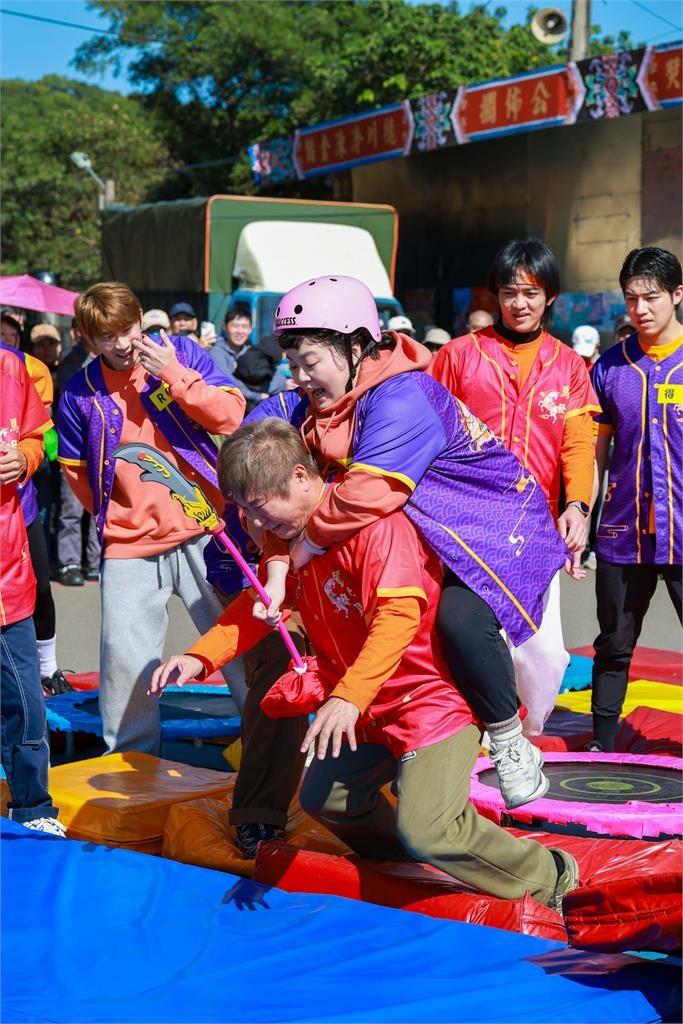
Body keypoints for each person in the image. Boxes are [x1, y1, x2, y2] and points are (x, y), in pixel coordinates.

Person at [151, 418, 579, 908]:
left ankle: (550, 876)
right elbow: (258, 607)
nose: (256, 524)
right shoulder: (291, 541)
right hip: (365, 706)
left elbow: (397, 619)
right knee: (328, 800)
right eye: (245, 511)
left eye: (260, 507)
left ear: (299, 477)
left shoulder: (375, 527)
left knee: (431, 828)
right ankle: (410, 859)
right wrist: (199, 657)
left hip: (427, 702)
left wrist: (348, 698)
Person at [253, 274, 571, 809]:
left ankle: (509, 740)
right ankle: (415, 758)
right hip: (428, 529)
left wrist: (300, 548)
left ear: (356, 346)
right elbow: (251, 440)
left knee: (457, 621)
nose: (301, 377)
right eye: (293, 364)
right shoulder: (316, 398)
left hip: (493, 529)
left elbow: (370, 491)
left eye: (310, 362)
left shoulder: (404, 396)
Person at [57, 281, 247, 754]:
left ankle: (273, 747)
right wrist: (121, 517)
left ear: (141, 318)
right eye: (107, 336)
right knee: (124, 663)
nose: (121, 344)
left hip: (209, 528)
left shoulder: (181, 352)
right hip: (130, 543)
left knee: (242, 644)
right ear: (88, 339)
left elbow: (232, 416)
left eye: (127, 329)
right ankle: (130, 766)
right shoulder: (79, 392)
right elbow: (77, 473)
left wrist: (174, 374)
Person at [429, 238, 600, 741]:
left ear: (550, 297)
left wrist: (578, 506)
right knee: (470, 636)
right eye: (509, 292)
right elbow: (428, 431)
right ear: (495, 296)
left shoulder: (569, 365)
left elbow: (578, 443)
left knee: (543, 657)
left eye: (531, 292)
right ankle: (479, 736)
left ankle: (524, 735)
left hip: (535, 530)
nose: (519, 303)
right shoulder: (459, 356)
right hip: (467, 525)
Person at [588, 247, 683, 752]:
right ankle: (602, 743)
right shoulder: (610, 367)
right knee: (613, 643)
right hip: (624, 533)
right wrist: (580, 512)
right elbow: (595, 453)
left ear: (677, 295)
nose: (640, 309)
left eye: (651, 297)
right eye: (631, 298)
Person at [0, 348, 66, 835]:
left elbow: (36, 436)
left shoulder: (11, 369)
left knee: (26, 705)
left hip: (8, 575)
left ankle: (33, 809)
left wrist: (23, 457)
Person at [0, 338, 70, 696]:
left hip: (17, 509)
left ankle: (47, 669)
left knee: (38, 588)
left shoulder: (18, 365)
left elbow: (38, 436)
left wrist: (24, 458)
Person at [55, 320, 101, 586]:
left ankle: (95, 561)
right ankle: (69, 562)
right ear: (77, 332)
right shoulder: (70, 359)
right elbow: (70, 393)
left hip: (103, 445)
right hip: (74, 445)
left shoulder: (111, 356)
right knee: (71, 508)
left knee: (99, 507)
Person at [210, 304, 286, 411]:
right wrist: (256, 395)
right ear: (224, 327)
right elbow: (227, 382)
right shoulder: (216, 353)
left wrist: (258, 388)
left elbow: (279, 379)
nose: (240, 331)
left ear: (250, 329)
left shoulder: (252, 351)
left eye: (244, 326)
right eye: (235, 326)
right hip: (227, 409)